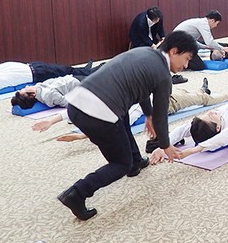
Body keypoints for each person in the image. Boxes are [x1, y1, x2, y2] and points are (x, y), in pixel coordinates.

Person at [56, 31, 197, 221]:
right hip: (97, 115)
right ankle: (77, 193)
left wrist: (147, 114)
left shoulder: (145, 53)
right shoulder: (164, 75)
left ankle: (136, 161)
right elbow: (161, 115)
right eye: (186, 59)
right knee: (120, 164)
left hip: (76, 105)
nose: (186, 66)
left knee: (122, 117)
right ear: (174, 51)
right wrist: (165, 145)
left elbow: (143, 89)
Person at [29, 77, 228, 142]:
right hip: (169, 103)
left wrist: (51, 121)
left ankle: (204, 90)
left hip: (162, 92)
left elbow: (74, 112)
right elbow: (111, 125)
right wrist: (82, 136)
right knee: (202, 99)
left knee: (195, 94)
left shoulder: (116, 98)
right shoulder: (127, 110)